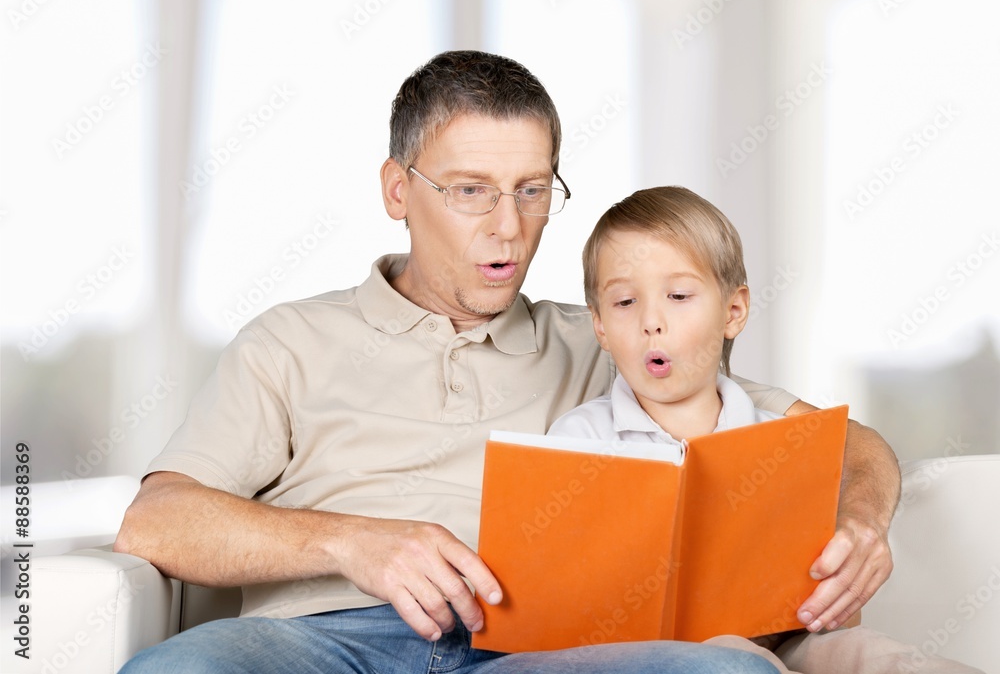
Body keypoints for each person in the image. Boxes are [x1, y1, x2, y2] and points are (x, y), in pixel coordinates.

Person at [113, 50, 898, 673]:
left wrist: (860, 520)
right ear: (397, 190)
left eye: (531, 190)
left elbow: (843, 443)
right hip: (321, 644)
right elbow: (156, 520)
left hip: (528, 654)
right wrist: (350, 540)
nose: (509, 227)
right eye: (470, 190)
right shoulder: (289, 340)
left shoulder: (608, 337)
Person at [548, 186, 983, 674]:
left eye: (678, 296)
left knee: (884, 658)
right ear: (601, 327)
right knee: (740, 662)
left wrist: (831, 589)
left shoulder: (782, 441)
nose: (652, 321)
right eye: (625, 302)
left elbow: (837, 605)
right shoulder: (577, 440)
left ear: (733, 312)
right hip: (654, 655)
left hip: (792, 634)